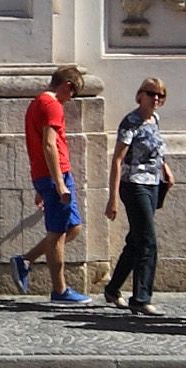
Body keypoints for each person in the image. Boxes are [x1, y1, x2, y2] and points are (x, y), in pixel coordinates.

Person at [11, 61, 92, 300]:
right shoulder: (52, 105)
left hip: (50, 174)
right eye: (73, 93)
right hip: (55, 175)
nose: (71, 99)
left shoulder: (37, 103)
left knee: (73, 227)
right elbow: (48, 145)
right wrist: (58, 183)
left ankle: (25, 260)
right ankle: (60, 290)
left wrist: (45, 184)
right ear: (66, 86)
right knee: (57, 233)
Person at [106, 77, 175, 313]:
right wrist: (112, 197)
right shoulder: (131, 122)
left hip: (154, 183)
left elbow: (157, 149)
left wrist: (165, 168)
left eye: (160, 95)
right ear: (140, 95)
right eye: (151, 93)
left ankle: (112, 288)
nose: (156, 98)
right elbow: (117, 159)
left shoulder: (154, 119)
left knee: (136, 239)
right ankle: (141, 298)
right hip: (134, 184)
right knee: (148, 241)